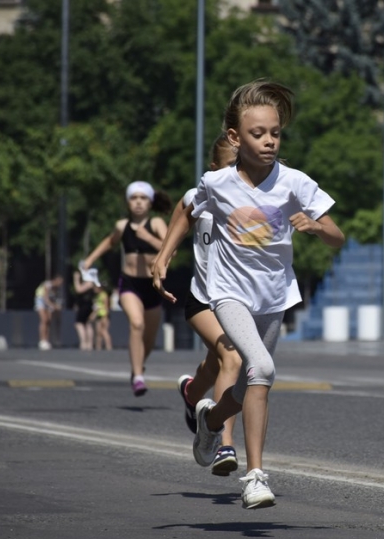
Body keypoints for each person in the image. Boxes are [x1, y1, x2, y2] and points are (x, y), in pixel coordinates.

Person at [152, 80, 345, 509]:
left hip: (273, 296)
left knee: (251, 382)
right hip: (228, 294)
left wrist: (317, 227)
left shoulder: (294, 181)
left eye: (275, 132)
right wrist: (165, 254)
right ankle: (254, 476)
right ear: (236, 138)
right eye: (259, 134)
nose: (270, 141)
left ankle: (210, 418)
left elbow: (337, 235)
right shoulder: (217, 182)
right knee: (260, 366)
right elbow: (186, 209)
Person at [170, 134, 244, 477]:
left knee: (217, 364)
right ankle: (223, 443)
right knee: (233, 357)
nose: (236, 175)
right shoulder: (194, 197)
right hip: (202, 299)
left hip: (239, 299)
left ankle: (191, 393)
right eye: (230, 167)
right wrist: (162, 260)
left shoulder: (250, 201)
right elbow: (175, 232)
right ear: (212, 170)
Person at [82, 181, 172, 396]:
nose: (138, 203)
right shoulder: (122, 226)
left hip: (153, 285)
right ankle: (138, 375)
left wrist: (148, 237)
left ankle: (138, 367)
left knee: (149, 339)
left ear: (150, 203)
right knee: (137, 324)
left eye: (143, 198)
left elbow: (172, 250)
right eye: (134, 198)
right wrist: (90, 259)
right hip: (129, 284)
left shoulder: (157, 223)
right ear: (128, 202)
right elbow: (109, 242)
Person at [34, 275, 63, 350]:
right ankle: (42, 340)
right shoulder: (47, 284)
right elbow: (45, 298)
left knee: (49, 321)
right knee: (44, 320)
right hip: (41, 300)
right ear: (56, 280)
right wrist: (54, 306)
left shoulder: (57, 289)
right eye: (59, 281)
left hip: (50, 302)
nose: (60, 284)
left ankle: (46, 340)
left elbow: (54, 298)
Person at [72, 268, 96, 351]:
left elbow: (78, 290)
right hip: (85, 305)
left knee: (79, 324)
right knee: (87, 324)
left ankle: (85, 342)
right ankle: (88, 343)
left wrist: (76, 279)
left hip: (86, 306)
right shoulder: (90, 283)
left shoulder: (89, 283)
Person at [91, 284, 112, 351]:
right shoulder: (98, 296)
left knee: (104, 331)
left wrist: (105, 316)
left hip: (103, 315)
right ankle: (98, 347)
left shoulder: (104, 295)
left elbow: (106, 306)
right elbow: (97, 307)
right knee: (98, 332)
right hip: (99, 315)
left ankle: (109, 347)